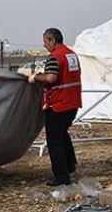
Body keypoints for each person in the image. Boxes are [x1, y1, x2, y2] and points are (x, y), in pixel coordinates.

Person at [29, 28, 82, 186]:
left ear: (52, 41)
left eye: (45, 41)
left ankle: (61, 176)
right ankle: (70, 166)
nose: (44, 45)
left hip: (59, 104)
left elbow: (51, 77)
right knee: (62, 135)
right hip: (73, 102)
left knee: (54, 140)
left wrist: (35, 78)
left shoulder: (55, 57)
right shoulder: (71, 54)